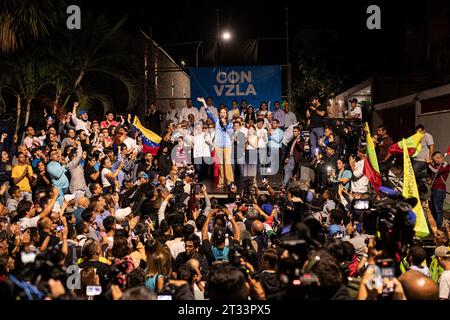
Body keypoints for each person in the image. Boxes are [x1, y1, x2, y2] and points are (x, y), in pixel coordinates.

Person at [198, 97, 234, 189]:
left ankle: (230, 182)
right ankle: (221, 182)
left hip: (227, 144)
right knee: (221, 164)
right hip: (218, 144)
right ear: (219, 113)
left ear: (226, 114)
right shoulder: (216, 121)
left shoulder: (230, 123)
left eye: (224, 112)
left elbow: (231, 133)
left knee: (227, 163)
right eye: (221, 112)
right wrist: (203, 103)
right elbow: (208, 113)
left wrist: (225, 124)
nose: (222, 114)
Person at [427, 151, 449, 228]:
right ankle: (433, 227)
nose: (435, 161)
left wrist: (428, 163)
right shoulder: (436, 165)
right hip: (433, 189)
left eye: (435, 159)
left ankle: (438, 228)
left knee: (438, 210)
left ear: (439, 157)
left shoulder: (445, 165)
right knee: (433, 210)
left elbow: (436, 171)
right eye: (433, 160)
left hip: (439, 190)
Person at [307, 96, 327, 161]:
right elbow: (308, 117)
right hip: (312, 128)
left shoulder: (322, 106)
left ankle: (321, 159)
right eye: (311, 101)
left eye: (313, 100)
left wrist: (314, 109)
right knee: (312, 145)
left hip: (319, 128)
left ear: (317, 100)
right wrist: (308, 111)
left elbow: (322, 114)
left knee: (320, 144)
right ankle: (313, 159)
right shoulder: (312, 108)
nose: (312, 102)